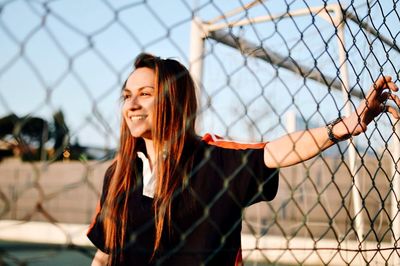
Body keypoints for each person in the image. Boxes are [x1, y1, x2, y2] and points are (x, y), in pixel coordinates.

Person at [87, 53, 400, 266]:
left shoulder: (215, 159)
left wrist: (350, 124)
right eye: (127, 95)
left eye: (145, 93)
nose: (131, 105)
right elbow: (104, 254)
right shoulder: (118, 174)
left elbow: (276, 150)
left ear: (174, 99)